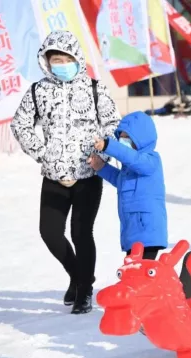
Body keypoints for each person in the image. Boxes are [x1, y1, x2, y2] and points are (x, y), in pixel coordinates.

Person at [10, 30, 120, 314]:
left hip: (88, 175)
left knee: (82, 232)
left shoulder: (95, 88)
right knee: (50, 232)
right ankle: (78, 275)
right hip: (54, 176)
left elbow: (112, 126)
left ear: (76, 58)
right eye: (54, 59)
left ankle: (84, 290)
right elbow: (20, 126)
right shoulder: (38, 91)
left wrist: (102, 155)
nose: (60, 64)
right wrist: (44, 155)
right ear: (46, 62)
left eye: (64, 58)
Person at [87, 111, 167, 260]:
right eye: (121, 138)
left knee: (142, 275)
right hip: (132, 230)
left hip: (147, 230)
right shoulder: (129, 166)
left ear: (142, 139)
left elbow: (133, 159)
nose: (123, 142)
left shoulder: (150, 160)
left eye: (127, 138)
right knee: (133, 274)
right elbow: (120, 180)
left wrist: (110, 146)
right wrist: (101, 167)